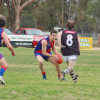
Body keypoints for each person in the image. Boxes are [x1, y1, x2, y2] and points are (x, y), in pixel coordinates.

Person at [0, 18, 15, 85]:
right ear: (4, 26)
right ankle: (0, 76)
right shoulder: (2, 32)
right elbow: (9, 46)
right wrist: (13, 52)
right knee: (5, 65)